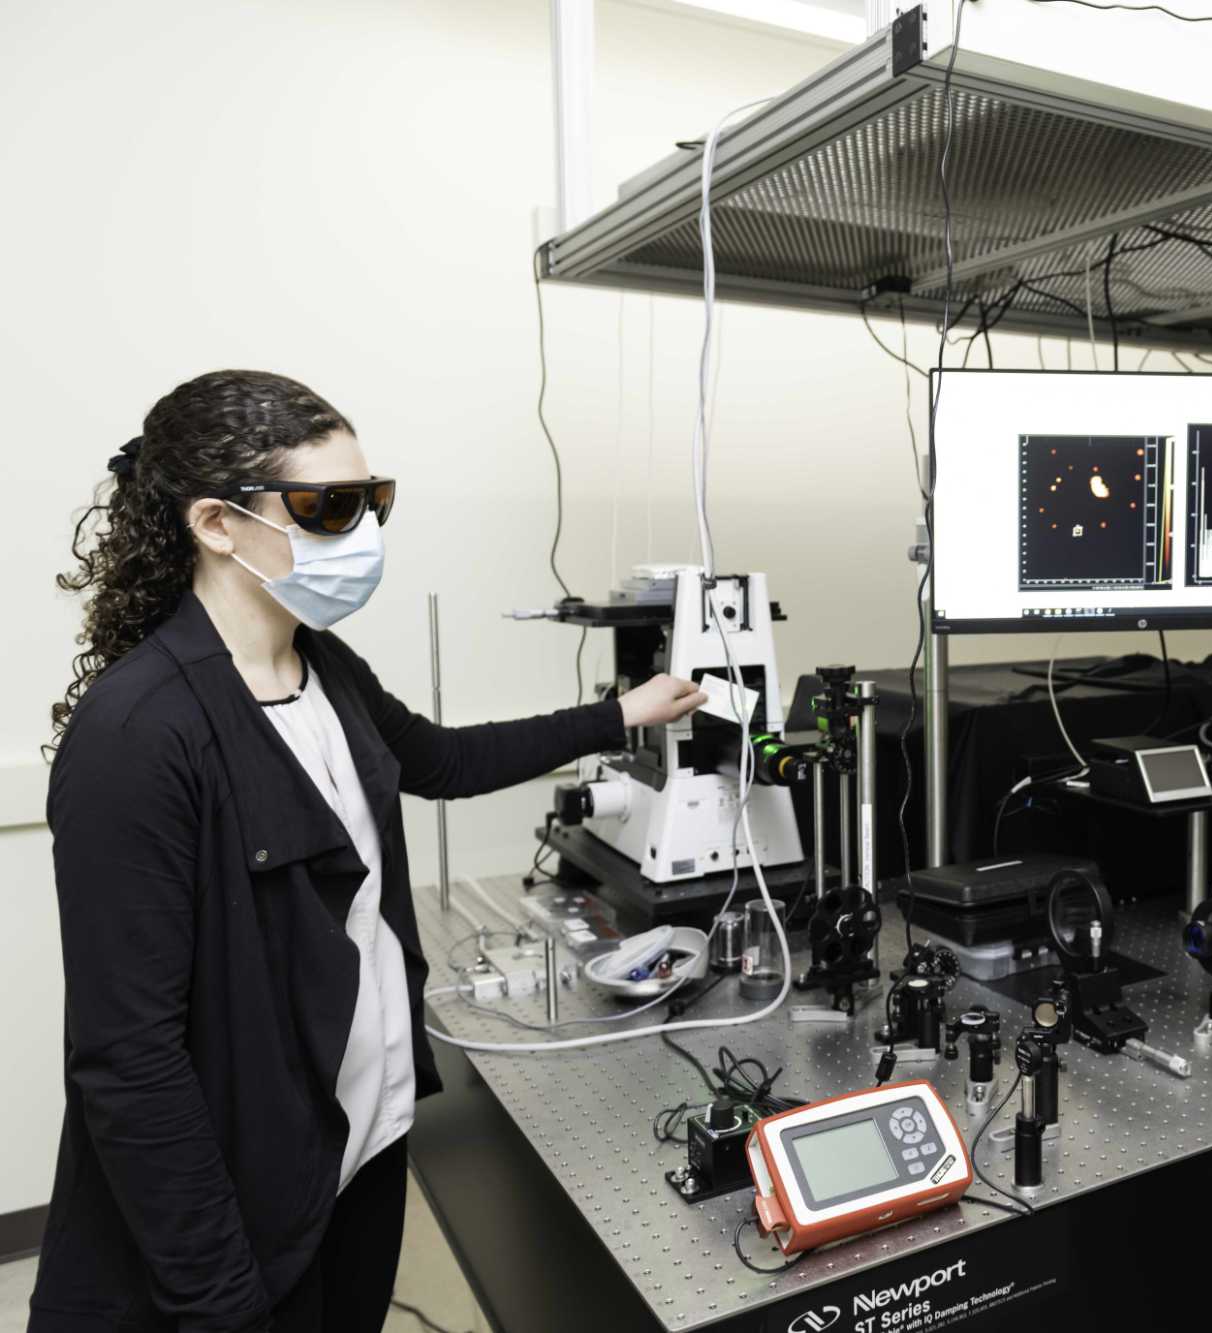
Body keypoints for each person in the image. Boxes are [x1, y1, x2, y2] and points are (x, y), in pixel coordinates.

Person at [31, 370, 708, 1333]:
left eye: (370, 501)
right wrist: (225, 1306)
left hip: (361, 1146)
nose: (361, 532)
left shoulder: (323, 668)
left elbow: (443, 757)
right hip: (243, 1208)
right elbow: (129, 1065)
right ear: (216, 524)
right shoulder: (139, 735)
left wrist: (617, 714)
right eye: (327, 506)